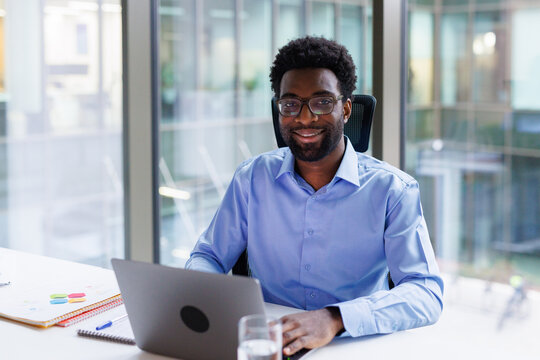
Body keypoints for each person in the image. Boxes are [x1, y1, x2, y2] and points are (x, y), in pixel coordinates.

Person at [186, 36, 443, 357]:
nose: (304, 118)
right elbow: (208, 256)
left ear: (346, 109)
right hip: (270, 342)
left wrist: (334, 318)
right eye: (290, 104)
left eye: (321, 102)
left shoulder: (392, 189)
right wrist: (210, 300)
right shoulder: (252, 178)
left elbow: (425, 291)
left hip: (352, 344)